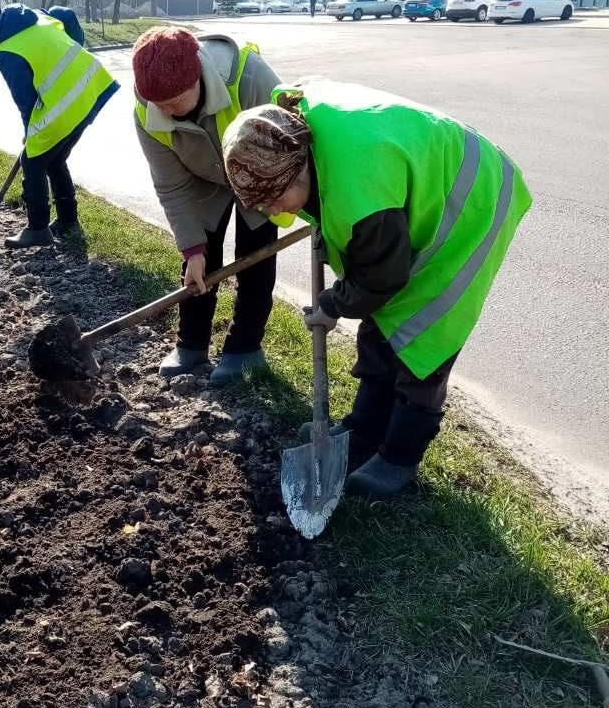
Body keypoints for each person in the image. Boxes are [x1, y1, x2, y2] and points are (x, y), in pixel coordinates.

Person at [221, 83, 532, 498]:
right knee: (381, 321)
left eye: (275, 197)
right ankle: (364, 428)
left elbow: (381, 279)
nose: (273, 210)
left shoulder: (359, 193)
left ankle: (398, 457)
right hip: (415, 187)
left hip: (471, 204)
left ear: (298, 169)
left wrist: (332, 303)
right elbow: (372, 275)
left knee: (425, 336)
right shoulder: (296, 131)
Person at [131, 25, 294, 385]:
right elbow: (171, 187)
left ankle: (244, 349)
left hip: (260, 173)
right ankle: (190, 345)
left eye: (174, 102)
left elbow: (293, 140)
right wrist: (192, 249)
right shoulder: (147, 111)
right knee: (198, 262)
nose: (167, 112)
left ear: (197, 81)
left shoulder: (250, 79)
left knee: (257, 255)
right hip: (201, 178)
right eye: (160, 105)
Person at [0, 0, 118, 248]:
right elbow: (66, 16)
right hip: (93, 86)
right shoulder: (33, 16)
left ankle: (37, 229)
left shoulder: (6, 48)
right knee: (54, 158)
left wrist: (30, 133)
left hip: (67, 102)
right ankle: (67, 221)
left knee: (32, 161)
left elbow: (25, 99)